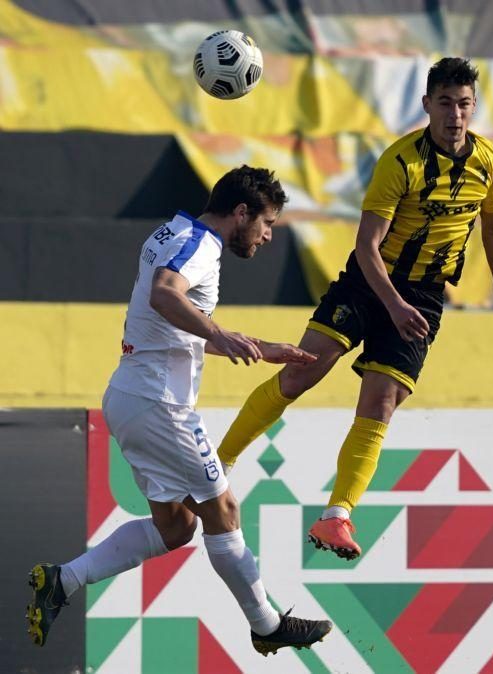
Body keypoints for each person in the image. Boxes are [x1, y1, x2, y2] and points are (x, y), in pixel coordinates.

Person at [215, 57, 493, 560]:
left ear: (473, 107)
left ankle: (337, 517)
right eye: (445, 103)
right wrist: (392, 305)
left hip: (423, 295)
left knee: (381, 403)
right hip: (369, 283)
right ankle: (217, 462)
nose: (456, 115)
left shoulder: (489, 161)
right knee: (301, 371)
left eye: (464, 104)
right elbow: (367, 244)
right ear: (426, 106)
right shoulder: (401, 163)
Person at [26, 166, 333, 656]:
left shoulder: (175, 231)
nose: (268, 235)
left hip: (131, 396)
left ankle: (62, 581)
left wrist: (257, 345)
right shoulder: (201, 247)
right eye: (267, 223)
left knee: (177, 527)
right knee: (223, 509)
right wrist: (217, 333)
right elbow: (164, 294)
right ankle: (266, 623)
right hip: (160, 404)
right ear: (241, 212)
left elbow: (168, 320)